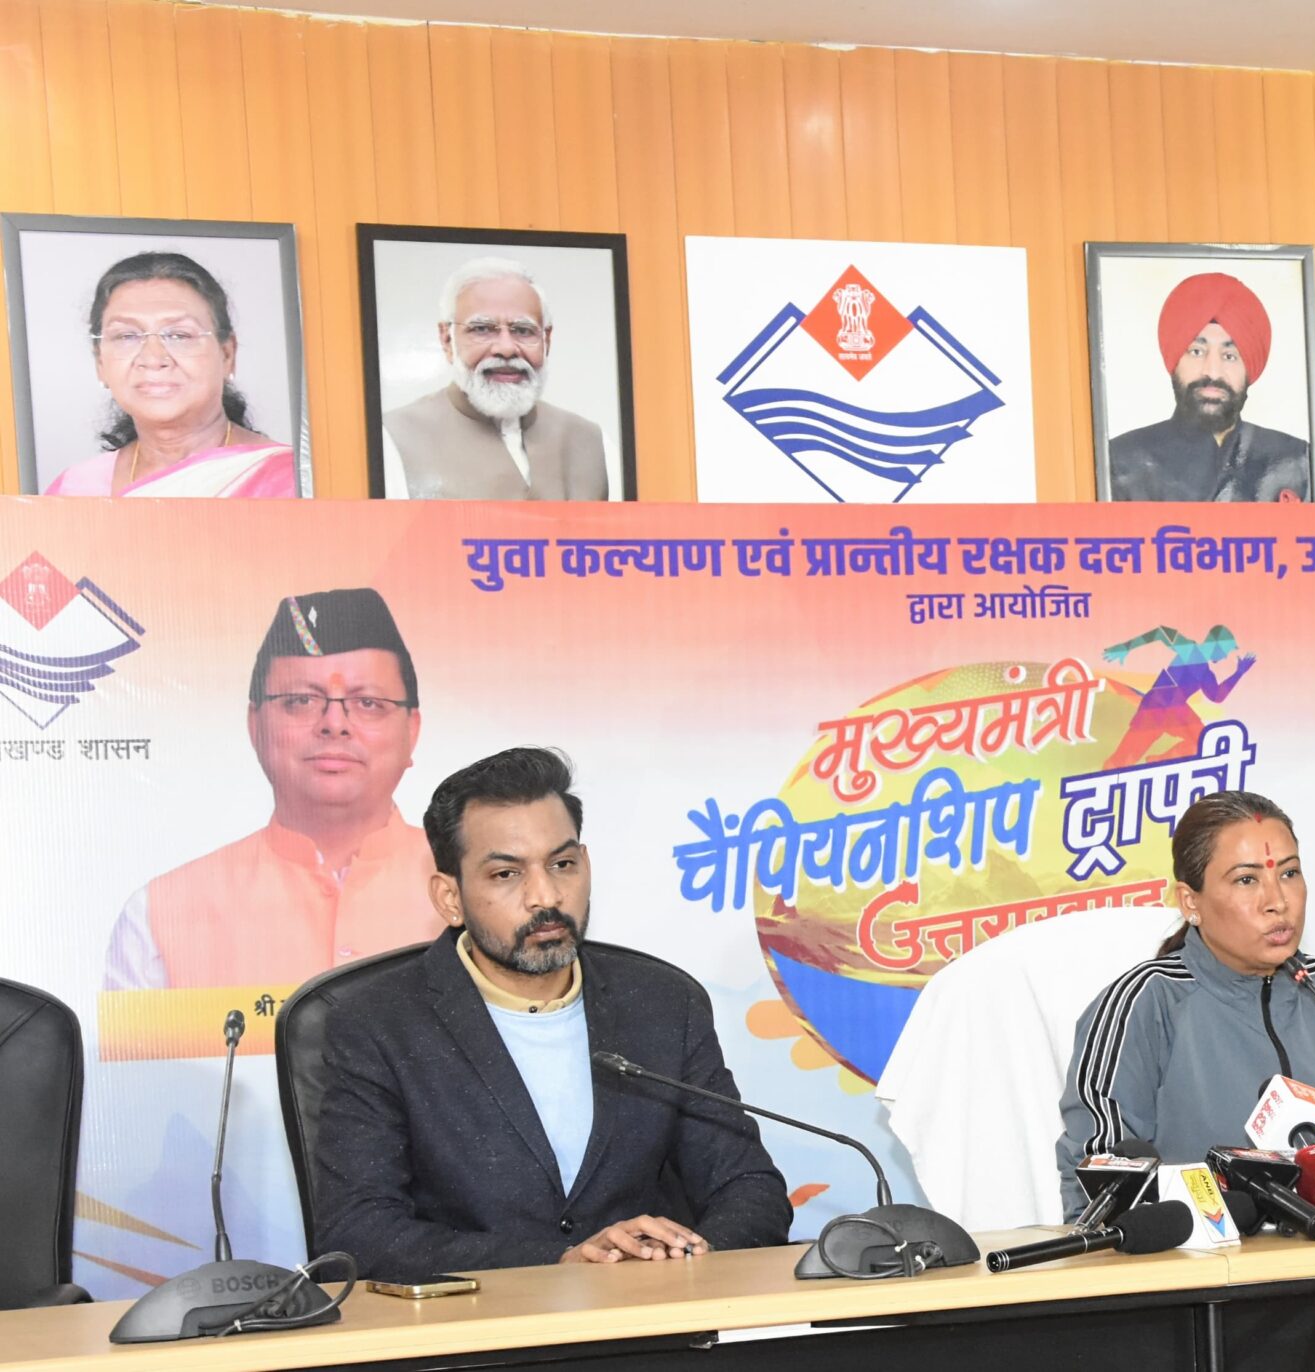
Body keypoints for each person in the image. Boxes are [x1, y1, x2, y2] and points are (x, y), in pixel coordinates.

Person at [312, 747, 791, 1282]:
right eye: (505, 874)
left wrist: (678, 1262)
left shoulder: (662, 1003)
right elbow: (358, 1233)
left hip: (652, 1317)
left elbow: (748, 1187)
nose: (545, 896)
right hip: (482, 1326)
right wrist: (560, 1263)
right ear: (450, 898)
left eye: (562, 865)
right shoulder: (377, 1025)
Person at [1057, 791, 1315, 1211]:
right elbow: (1098, 1189)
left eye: (1289, 873)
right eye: (1246, 880)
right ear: (1191, 902)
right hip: (1205, 1251)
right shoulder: (1145, 1003)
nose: (1277, 901)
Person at [103, 588, 440, 990]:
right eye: (301, 701)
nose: (334, 724)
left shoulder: (475, 890)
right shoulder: (161, 914)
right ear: (255, 725)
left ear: (412, 731)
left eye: (368, 703)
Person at [44, 252, 297, 498]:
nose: (153, 359)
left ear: (227, 354)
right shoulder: (75, 491)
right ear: (100, 362)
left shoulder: (294, 481)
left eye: (179, 335)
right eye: (127, 336)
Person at [381, 257, 609, 500]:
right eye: (482, 329)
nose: (506, 349)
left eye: (523, 331)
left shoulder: (593, 442)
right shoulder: (392, 439)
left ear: (547, 340)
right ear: (447, 340)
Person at [1106, 271, 1312, 502]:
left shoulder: (1297, 460)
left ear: (1248, 368)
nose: (1212, 372)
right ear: (1175, 361)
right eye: (1197, 352)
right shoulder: (1120, 460)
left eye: (1229, 356)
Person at [1100, 624, 1256, 768]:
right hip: (1156, 708)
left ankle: (1160, 762)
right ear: (1217, 645)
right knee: (1122, 760)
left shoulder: (1206, 672)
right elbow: (1161, 633)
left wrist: (1238, 673)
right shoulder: (1189, 649)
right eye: (1226, 651)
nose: (1225, 656)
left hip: (1177, 712)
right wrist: (1126, 647)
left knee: (1205, 742)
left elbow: (1217, 696)